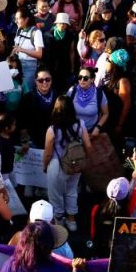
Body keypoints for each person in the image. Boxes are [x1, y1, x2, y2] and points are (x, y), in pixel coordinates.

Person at [43, 96, 92, 231]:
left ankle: (59, 220)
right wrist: (85, 160)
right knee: (72, 191)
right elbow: (88, 146)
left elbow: (47, 153)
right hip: (76, 164)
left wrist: (44, 166)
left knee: (55, 194)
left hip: (57, 164)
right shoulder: (80, 124)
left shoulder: (52, 130)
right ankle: (72, 221)